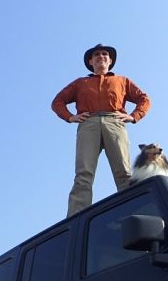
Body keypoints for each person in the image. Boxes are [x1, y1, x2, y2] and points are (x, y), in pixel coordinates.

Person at [52, 44, 151, 216]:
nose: (101, 56)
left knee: (124, 173)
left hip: (115, 121)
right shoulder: (80, 83)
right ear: (91, 61)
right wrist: (70, 117)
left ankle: (135, 213)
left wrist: (134, 116)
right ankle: (76, 218)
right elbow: (57, 102)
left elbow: (144, 99)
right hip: (88, 123)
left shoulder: (122, 81)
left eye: (105, 54)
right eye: (96, 54)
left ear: (110, 60)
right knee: (83, 174)